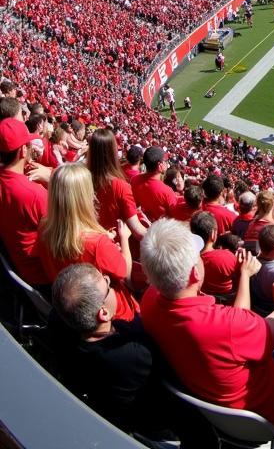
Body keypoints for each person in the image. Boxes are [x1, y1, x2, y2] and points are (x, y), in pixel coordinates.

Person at [140, 218, 274, 429]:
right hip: (268, 414)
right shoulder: (228, 325)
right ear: (195, 273)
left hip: (209, 406)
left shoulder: (148, 301)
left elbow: (236, 333)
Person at [49, 264, 183, 441]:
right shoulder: (134, 351)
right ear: (103, 313)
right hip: (148, 423)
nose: (109, 280)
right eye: (107, 285)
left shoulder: (58, 321)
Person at [36, 163, 138, 321]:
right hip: (109, 314)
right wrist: (124, 237)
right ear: (84, 197)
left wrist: (108, 247)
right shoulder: (97, 244)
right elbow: (125, 273)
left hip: (71, 308)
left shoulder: (44, 227)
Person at [0, 116, 50, 285]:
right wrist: (52, 181)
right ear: (22, 150)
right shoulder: (34, 194)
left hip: (15, 267)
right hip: (42, 276)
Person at [86, 128, 147, 239]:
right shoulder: (120, 186)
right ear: (112, 152)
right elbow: (138, 232)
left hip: (93, 239)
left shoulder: (82, 177)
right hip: (114, 244)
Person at [131, 147, 181, 222]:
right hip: (161, 229)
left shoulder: (135, 179)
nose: (167, 162)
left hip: (145, 223)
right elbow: (175, 218)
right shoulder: (167, 191)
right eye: (165, 161)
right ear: (159, 165)